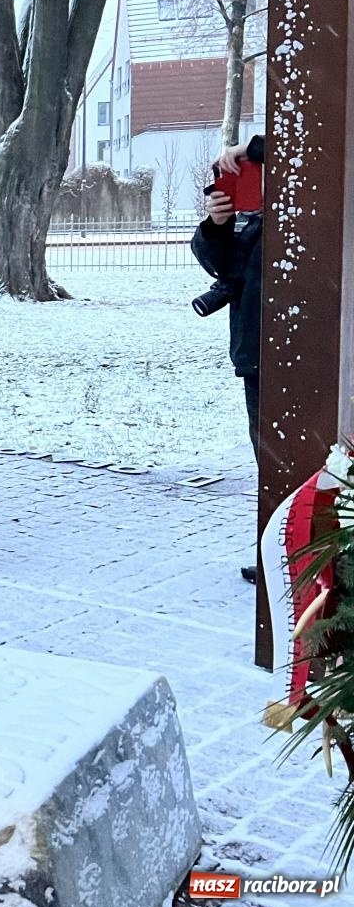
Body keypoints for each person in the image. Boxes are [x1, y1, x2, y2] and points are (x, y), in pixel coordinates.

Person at [191, 133, 263, 584]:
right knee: (272, 462)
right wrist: (217, 224)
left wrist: (250, 148)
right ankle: (282, 548)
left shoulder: (316, 216)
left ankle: (308, 553)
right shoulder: (255, 220)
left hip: (294, 353)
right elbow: (222, 267)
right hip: (257, 358)